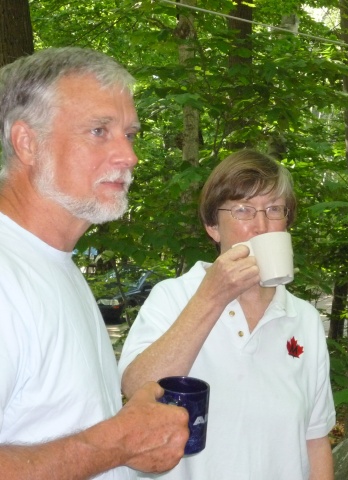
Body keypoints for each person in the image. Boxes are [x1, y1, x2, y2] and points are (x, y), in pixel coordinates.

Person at [0, 47, 189, 479]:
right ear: (28, 143)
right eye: (99, 131)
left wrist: (126, 438)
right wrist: (118, 442)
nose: (129, 156)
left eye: (130, 134)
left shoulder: (52, 262)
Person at [119, 149, 336, 480]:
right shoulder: (174, 297)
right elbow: (136, 387)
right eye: (243, 210)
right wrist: (212, 296)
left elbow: (315, 440)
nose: (262, 226)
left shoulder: (304, 319)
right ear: (213, 226)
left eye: (274, 209)